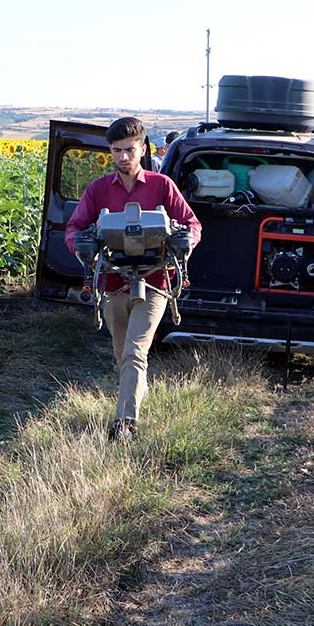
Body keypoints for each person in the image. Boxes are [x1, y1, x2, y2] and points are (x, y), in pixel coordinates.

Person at [64, 117, 201, 441]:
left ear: (142, 148)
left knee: (135, 352)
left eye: (129, 149)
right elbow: (73, 227)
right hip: (112, 283)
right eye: (116, 151)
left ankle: (125, 424)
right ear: (110, 152)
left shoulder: (162, 186)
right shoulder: (97, 190)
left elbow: (192, 224)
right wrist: (80, 245)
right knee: (122, 353)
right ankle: (136, 391)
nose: (123, 157)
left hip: (155, 281)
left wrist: (186, 241)